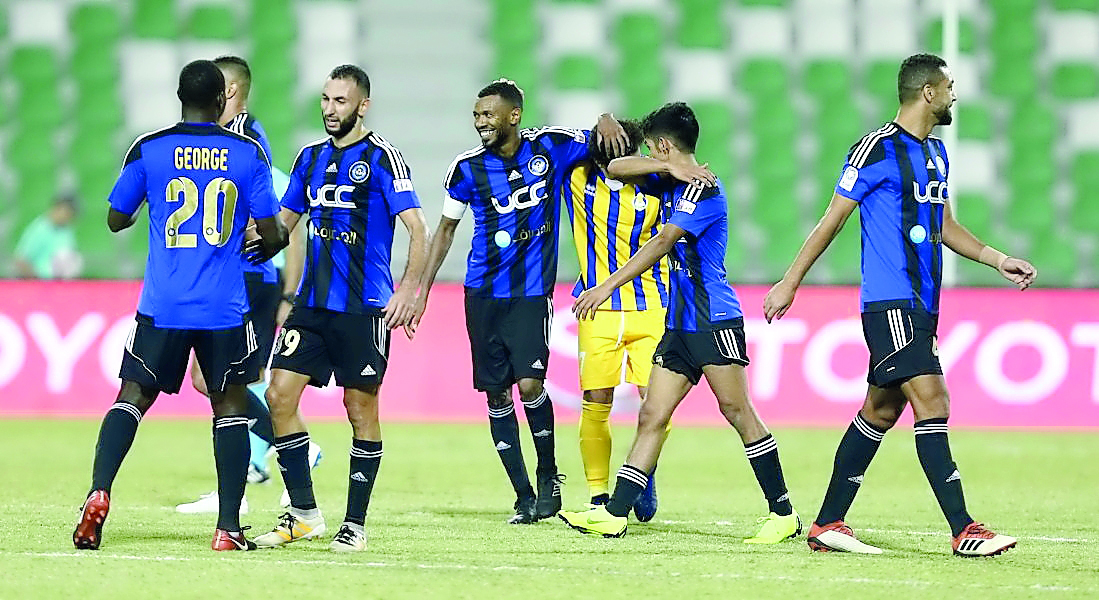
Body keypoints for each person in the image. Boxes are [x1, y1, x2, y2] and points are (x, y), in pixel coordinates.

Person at [762, 54, 1036, 557]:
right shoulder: (876, 149)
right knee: (935, 402)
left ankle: (827, 523)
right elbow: (831, 221)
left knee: (880, 410)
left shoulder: (936, 154)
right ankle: (964, 529)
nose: (955, 94)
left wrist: (997, 259)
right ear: (928, 92)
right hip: (891, 303)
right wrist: (789, 282)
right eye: (950, 86)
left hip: (924, 305)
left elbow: (944, 226)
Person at [560, 102, 801, 543]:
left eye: (654, 147)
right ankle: (615, 513)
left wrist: (606, 285)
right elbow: (614, 166)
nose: (650, 154)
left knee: (737, 412)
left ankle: (783, 511)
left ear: (665, 144)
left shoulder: (704, 190)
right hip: (680, 323)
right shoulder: (671, 177)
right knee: (652, 413)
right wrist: (659, 160)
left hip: (713, 320)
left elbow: (664, 240)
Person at [72, 59, 288, 551]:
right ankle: (228, 529)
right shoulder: (247, 151)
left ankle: (99, 492)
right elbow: (274, 231)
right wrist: (255, 242)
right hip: (224, 306)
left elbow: (115, 218)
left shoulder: (148, 148)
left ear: (179, 97)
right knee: (229, 404)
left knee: (131, 398)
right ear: (220, 102)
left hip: (163, 302)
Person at [413, 79, 628, 524]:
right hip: (482, 293)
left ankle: (548, 473)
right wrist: (423, 289)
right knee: (496, 393)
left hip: (530, 293)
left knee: (530, 385)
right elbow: (447, 230)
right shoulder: (466, 169)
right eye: (476, 116)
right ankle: (523, 495)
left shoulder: (550, 147)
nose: (480, 123)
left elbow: (604, 139)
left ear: (513, 115)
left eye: (488, 115)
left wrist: (605, 118)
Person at [251, 64, 429, 553]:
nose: (330, 110)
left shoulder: (383, 158)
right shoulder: (309, 158)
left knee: (360, 408)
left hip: (364, 307)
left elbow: (418, 229)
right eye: (326, 100)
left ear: (363, 105)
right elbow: (282, 226)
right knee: (279, 397)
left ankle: (356, 522)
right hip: (312, 303)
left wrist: (409, 289)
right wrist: (231, 246)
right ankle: (304, 514)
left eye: (340, 101)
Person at [175, 55, 322, 516]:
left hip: (248, 275)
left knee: (220, 380)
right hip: (232, 276)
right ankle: (257, 465)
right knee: (226, 380)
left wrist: (286, 292)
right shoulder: (228, 136)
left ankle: (288, 450)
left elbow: (284, 224)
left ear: (230, 91)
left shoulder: (243, 137)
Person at [563, 118, 668, 519]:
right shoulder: (575, 175)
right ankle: (597, 495)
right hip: (597, 309)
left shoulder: (657, 183)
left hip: (652, 306)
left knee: (657, 405)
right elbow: (553, 141)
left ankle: (641, 470)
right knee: (596, 402)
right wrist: (600, 120)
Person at [14, 194, 82, 278]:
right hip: (40, 283)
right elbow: (21, 260)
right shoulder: (40, 229)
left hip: (60, 283)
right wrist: (37, 281)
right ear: (57, 208)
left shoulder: (67, 231)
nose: (69, 217)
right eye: (67, 212)